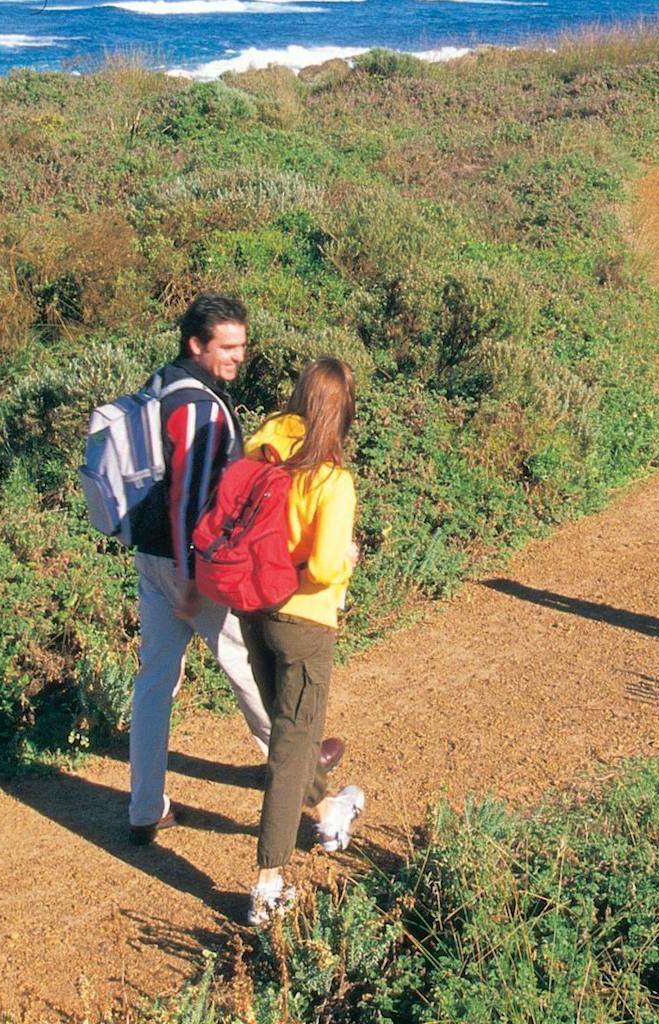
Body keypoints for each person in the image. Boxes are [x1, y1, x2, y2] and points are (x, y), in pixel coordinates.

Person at [125, 293, 342, 845]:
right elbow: (190, 501)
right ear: (196, 344)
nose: (238, 357)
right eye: (227, 346)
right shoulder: (200, 407)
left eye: (242, 345)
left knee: (154, 680)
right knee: (247, 665)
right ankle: (307, 780)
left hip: (149, 554)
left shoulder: (160, 385)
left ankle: (145, 806)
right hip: (193, 561)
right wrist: (195, 581)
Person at [238, 357, 366, 923]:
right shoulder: (331, 481)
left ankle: (326, 810)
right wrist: (347, 562)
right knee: (292, 748)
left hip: (251, 608)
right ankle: (268, 881)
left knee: (291, 732)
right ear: (342, 413)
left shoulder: (258, 451)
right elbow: (320, 563)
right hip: (304, 621)